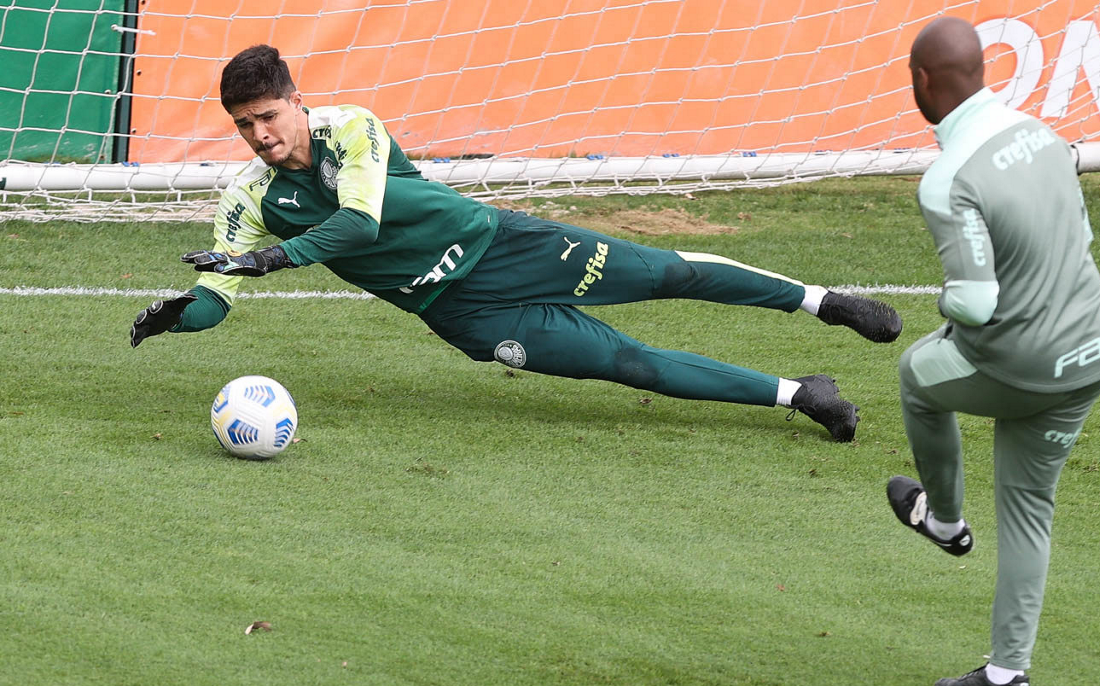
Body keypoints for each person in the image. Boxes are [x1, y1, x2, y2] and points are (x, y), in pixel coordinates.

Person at [130, 44, 903, 442]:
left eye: (268, 116)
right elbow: (217, 294)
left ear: (296, 102)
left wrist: (273, 257)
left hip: (506, 246)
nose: (260, 135)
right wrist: (183, 314)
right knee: (628, 364)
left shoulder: (351, 128)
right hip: (464, 313)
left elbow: (360, 222)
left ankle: (823, 303)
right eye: (244, 125)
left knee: (669, 272)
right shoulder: (249, 199)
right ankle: (803, 394)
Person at [884, 18, 1100, 686]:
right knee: (1028, 508)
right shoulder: (1042, 134)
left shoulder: (947, 179)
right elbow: (1081, 236)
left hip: (1025, 367)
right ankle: (1005, 672)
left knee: (917, 372)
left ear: (921, 81)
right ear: (982, 70)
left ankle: (944, 521)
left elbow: (976, 303)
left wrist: (944, 303)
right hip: (1096, 351)